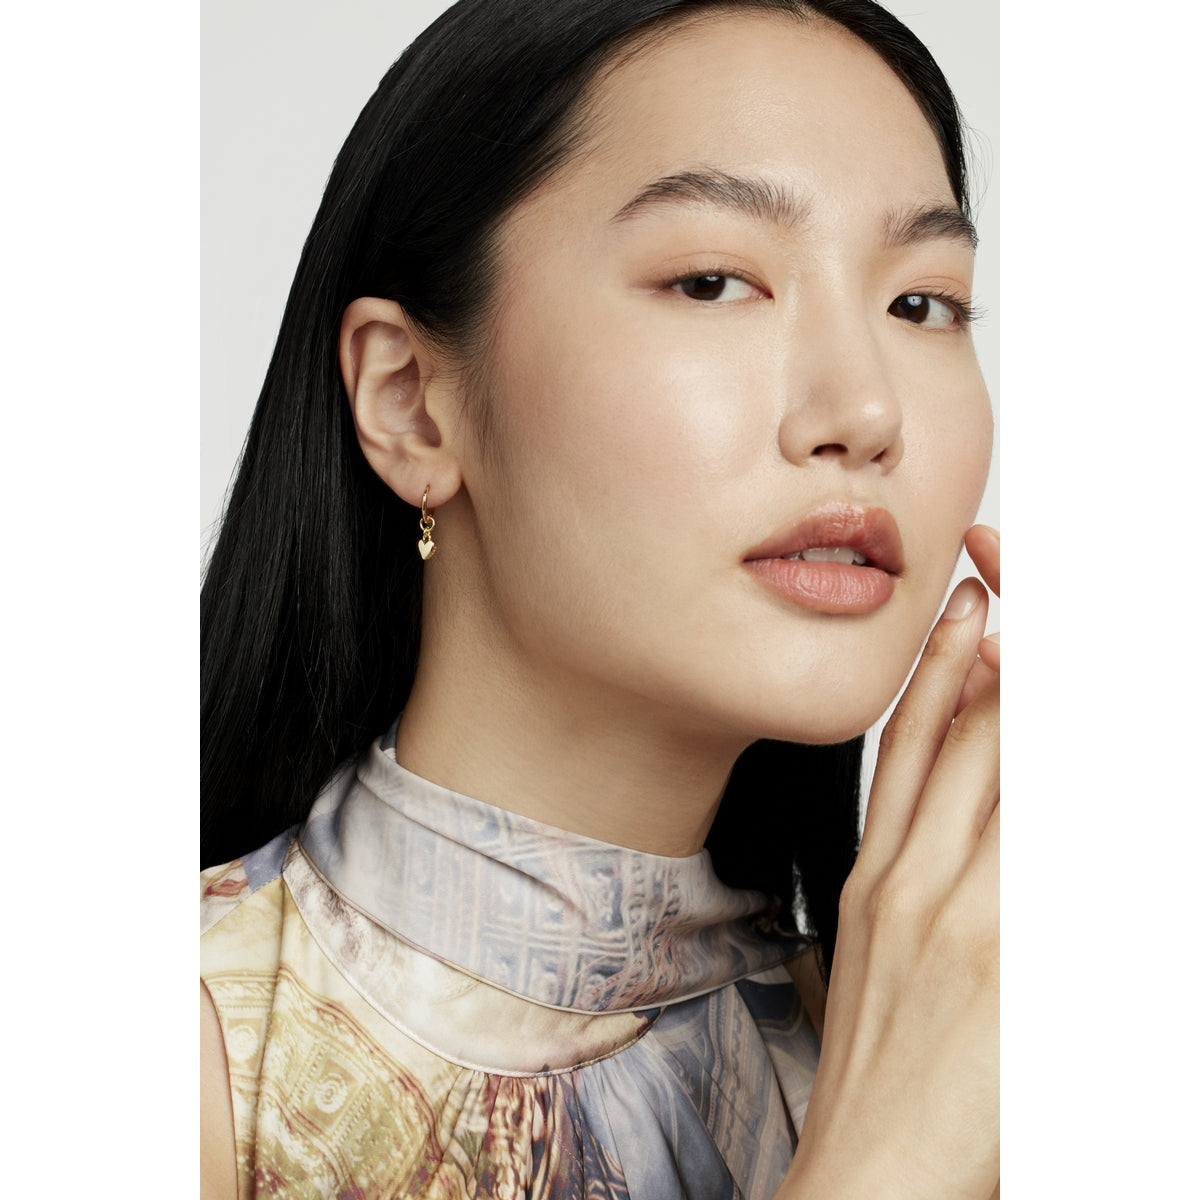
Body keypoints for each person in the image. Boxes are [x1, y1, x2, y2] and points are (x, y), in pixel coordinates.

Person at [200, 0, 999, 1196]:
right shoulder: (185, 1062)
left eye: (921, 303)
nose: (866, 411)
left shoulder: (966, 1033)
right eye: (714, 281)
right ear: (411, 401)